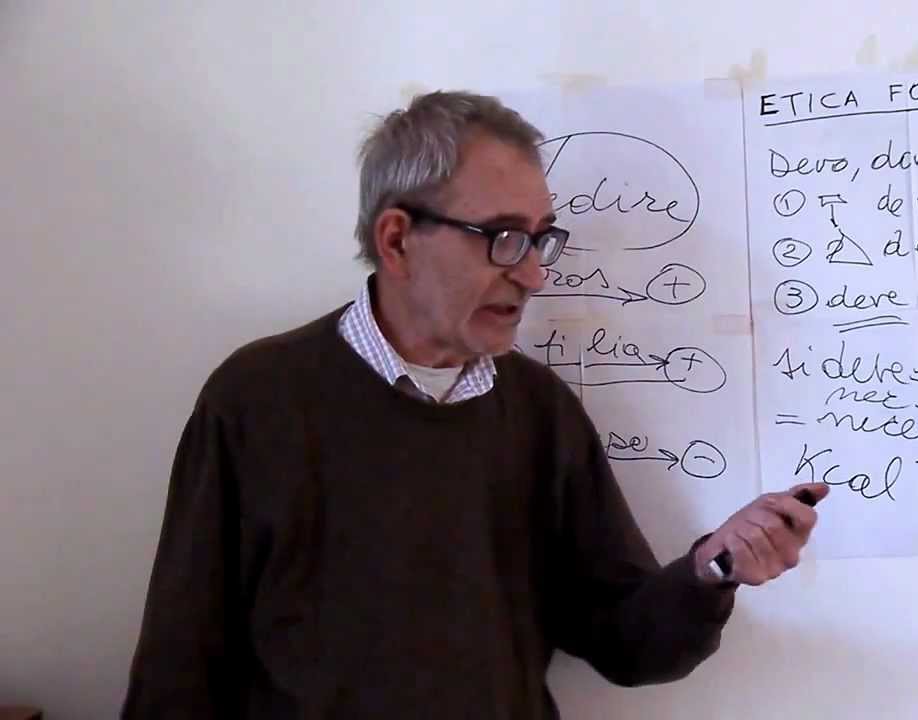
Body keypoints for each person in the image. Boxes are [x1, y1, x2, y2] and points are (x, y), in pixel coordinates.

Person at [121, 90, 828, 718]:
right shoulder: (257, 399)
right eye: (503, 238)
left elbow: (623, 641)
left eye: (540, 237)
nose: (534, 273)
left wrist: (712, 569)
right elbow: (181, 661)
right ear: (397, 240)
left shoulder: (539, 412)